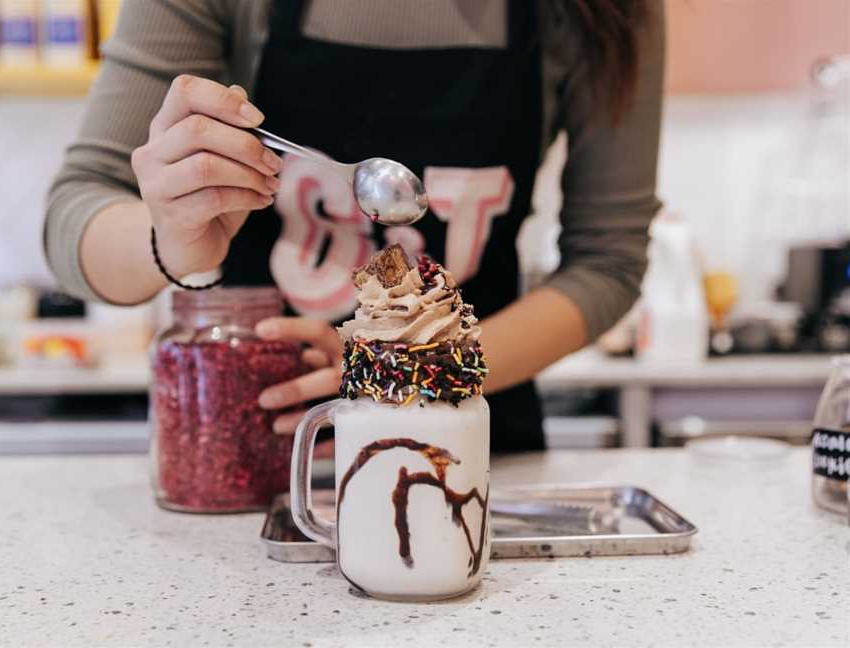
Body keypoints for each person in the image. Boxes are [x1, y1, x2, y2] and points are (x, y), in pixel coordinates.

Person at [46, 0, 664, 453]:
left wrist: (413, 367)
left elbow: (607, 263)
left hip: (468, 457)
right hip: (253, 461)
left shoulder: (602, 13)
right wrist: (171, 241)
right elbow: (75, 215)